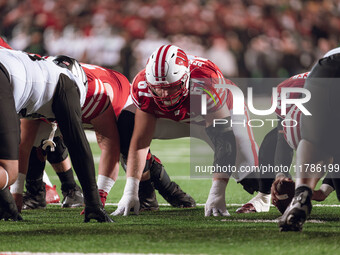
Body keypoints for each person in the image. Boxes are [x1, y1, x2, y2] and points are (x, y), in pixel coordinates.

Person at [112, 44, 264, 217]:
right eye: (158, 88)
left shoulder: (205, 81)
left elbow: (223, 138)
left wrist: (217, 192)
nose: (164, 95)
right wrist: (130, 190)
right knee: (125, 128)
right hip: (172, 119)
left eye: (171, 87)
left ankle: (266, 197)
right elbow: (140, 141)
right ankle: (151, 191)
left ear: (186, 78)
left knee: (255, 177)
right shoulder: (143, 85)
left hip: (214, 115)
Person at [0, 48, 112, 222]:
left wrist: (8, 207)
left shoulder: (38, 73)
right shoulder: (66, 82)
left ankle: (6, 208)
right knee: (8, 171)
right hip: (3, 73)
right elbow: (77, 145)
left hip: (5, 68)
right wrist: (93, 203)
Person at [278, 48, 340, 231]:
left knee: (313, 140)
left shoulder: (290, 88)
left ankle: (301, 194)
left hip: (325, 68)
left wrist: (320, 190)